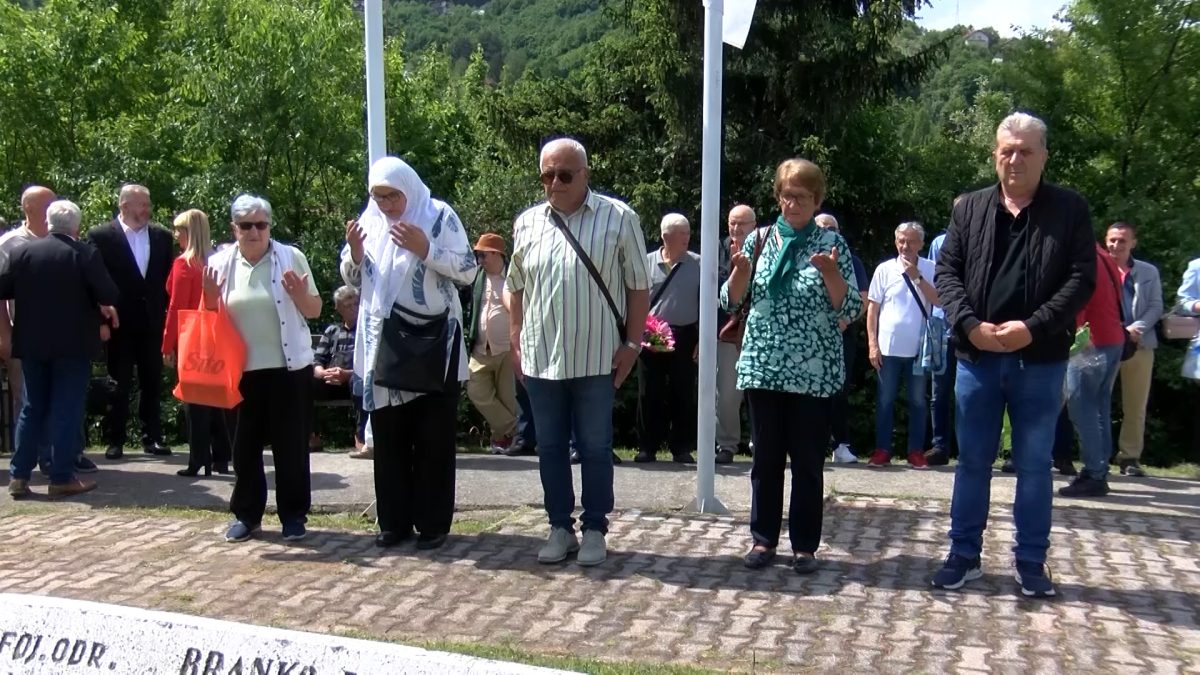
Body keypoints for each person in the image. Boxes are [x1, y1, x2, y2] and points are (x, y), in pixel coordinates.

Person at [932, 113, 1096, 598]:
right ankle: (964, 555)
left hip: (1039, 359)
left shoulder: (1069, 209)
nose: (1015, 158)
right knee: (972, 462)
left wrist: (1034, 327)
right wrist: (968, 325)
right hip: (977, 358)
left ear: (1044, 155)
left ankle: (1030, 562)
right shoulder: (970, 208)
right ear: (994, 154)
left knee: (1033, 464)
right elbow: (947, 273)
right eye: (1007, 149)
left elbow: (1081, 278)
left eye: (1026, 150)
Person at [506, 138, 651, 567]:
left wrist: (632, 344)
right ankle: (558, 527)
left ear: (585, 174)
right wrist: (516, 340)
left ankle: (594, 528)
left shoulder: (619, 218)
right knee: (549, 447)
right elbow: (516, 285)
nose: (555, 182)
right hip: (540, 357)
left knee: (594, 445)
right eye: (547, 175)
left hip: (597, 356)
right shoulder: (527, 222)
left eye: (565, 174)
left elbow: (638, 286)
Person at [721, 159, 863, 574]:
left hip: (813, 371)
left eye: (800, 196)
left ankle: (804, 546)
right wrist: (739, 275)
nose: (791, 203)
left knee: (806, 461)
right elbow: (729, 301)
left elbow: (851, 307)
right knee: (765, 459)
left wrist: (833, 274)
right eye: (785, 194)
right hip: (764, 367)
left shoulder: (830, 242)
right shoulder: (759, 239)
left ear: (816, 198)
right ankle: (763, 540)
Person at [341, 156, 477, 551]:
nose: (386, 204)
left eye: (392, 196)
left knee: (433, 437)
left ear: (409, 189)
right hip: (383, 345)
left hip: (433, 345)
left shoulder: (438, 216)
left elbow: (468, 269)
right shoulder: (369, 222)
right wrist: (354, 253)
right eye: (379, 196)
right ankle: (394, 522)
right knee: (389, 437)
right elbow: (352, 279)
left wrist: (426, 248)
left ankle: (433, 524)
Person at [204, 194, 322, 543]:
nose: (255, 232)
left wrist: (300, 295)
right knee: (243, 448)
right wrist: (209, 296)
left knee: (291, 447)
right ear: (234, 229)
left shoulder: (291, 257)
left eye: (261, 224)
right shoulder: (220, 262)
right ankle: (247, 515)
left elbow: (314, 310)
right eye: (246, 225)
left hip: (289, 369)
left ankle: (293, 516)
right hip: (238, 372)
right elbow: (208, 319)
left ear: (270, 226)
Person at [1, 200, 118, 499]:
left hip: (31, 343)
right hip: (72, 345)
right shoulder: (84, 254)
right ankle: (62, 476)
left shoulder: (22, 252)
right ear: (76, 227)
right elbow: (108, 293)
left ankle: (19, 476)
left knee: (31, 408)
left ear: (49, 222)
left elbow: (4, 289)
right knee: (66, 408)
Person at [87, 184, 173, 459]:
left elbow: (166, 283)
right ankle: (116, 440)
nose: (147, 209)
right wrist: (101, 319)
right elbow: (95, 282)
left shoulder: (161, 236)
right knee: (118, 384)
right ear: (124, 206)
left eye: (148, 204)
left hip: (152, 323)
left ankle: (153, 438)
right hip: (118, 323)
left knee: (152, 383)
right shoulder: (101, 236)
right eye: (141, 204)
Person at [162, 209, 233, 477]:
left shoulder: (184, 264)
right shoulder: (217, 261)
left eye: (179, 230)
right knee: (216, 399)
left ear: (189, 233)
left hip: (190, 336)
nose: (175, 235)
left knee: (193, 402)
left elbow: (176, 307)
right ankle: (221, 457)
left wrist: (166, 344)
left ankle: (198, 458)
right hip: (215, 336)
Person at [866, 222, 939, 469]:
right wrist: (872, 344)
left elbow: (939, 300)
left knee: (918, 401)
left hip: (919, 350)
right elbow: (872, 309)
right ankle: (882, 450)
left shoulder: (930, 268)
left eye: (910, 241)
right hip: (887, 348)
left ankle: (916, 451)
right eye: (901, 241)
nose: (905, 246)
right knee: (885, 400)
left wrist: (917, 277)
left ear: (920, 243)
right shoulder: (884, 269)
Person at [1058, 242, 1125, 497]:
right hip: (1111, 339)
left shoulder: (1080, 256)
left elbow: (1077, 298)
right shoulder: (1103, 256)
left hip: (1090, 341)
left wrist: (1076, 335)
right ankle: (1100, 470)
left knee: (1081, 407)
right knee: (1099, 407)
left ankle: (1095, 474)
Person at [636, 213, 701, 464]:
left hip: (685, 335)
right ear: (666, 237)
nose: (687, 237)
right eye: (681, 233)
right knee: (648, 392)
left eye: (687, 232)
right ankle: (647, 447)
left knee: (683, 391)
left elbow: (708, 302)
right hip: (650, 334)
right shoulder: (645, 263)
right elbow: (635, 298)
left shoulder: (698, 263)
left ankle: (682, 447)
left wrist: (701, 339)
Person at [1106, 222, 1162, 477]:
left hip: (1139, 344)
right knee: (1093, 402)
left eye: (1122, 241)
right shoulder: (1096, 268)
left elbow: (1155, 306)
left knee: (1135, 405)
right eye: (1112, 240)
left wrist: (1136, 329)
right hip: (1104, 343)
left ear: (1133, 243)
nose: (1116, 245)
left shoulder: (1148, 272)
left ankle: (1129, 458)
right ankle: (1094, 457)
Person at [814, 213, 869, 464]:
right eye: (822, 227)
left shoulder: (852, 260)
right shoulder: (804, 258)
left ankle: (840, 444)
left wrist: (843, 321)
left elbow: (863, 298)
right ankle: (812, 443)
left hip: (841, 334)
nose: (827, 231)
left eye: (831, 228)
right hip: (811, 336)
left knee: (839, 389)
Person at [464, 233, 519, 454]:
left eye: (483, 255)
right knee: (475, 390)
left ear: (497, 254)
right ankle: (516, 430)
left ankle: (502, 439)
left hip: (507, 348)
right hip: (480, 348)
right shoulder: (476, 276)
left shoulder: (513, 277)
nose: (480, 260)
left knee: (507, 398)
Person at [715, 204, 757, 463]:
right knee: (728, 393)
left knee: (760, 393)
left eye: (742, 223)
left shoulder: (766, 249)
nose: (736, 228)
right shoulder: (716, 250)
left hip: (759, 331)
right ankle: (727, 445)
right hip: (727, 332)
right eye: (732, 223)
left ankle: (761, 443)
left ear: (754, 225)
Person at [311, 285, 367, 454]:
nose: (354, 309)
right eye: (348, 305)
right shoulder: (332, 331)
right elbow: (317, 360)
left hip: (355, 380)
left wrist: (348, 374)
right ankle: (312, 436)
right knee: (303, 382)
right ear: (338, 308)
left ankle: (362, 437)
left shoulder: (366, 330)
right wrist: (321, 372)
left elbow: (373, 364)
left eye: (356, 304)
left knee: (361, 382)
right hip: (330, 381)